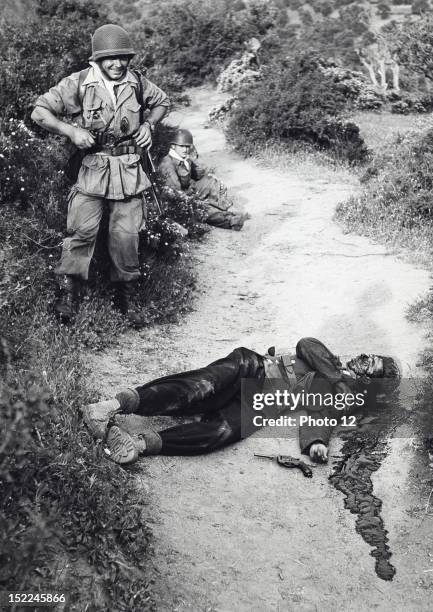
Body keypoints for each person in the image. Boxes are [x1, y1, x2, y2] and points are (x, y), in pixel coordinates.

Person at [31, 24, 170, 326]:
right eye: (111, 58)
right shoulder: (79, 82)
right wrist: (71, 130)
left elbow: (162, 103)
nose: (118, 64)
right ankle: (68, 293)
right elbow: (40, 111)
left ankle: (126, 296)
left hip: (129, 171)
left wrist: (149, 125)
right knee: (81, 231)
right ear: (97, 60)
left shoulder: (137, 82)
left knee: (127, 236)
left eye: (123, 58)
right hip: (92, 169)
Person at [81, 337, 400, 465]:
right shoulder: (330, 361)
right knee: (197, 388)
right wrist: (339, 379)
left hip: (259, 405)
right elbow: (306, 344)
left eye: (371, 367)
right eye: (369, 357)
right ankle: (112, 405)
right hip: (254, 367)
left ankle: (137, 444)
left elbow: (319, 419)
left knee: (222, 433)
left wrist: (316, 444)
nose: (364, 359)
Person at [158, 128, 249, 231]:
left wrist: (193, 159)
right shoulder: (167, 163)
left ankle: (228, 207)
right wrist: (194, 199)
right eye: (182, 146)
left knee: (211, 181)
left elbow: (199, 174)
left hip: (188, 190)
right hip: (177, 200)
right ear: (173, 146)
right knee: (203, 209)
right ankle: (232, 221)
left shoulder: (184, 158)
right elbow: (175, 191)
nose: (185, 150)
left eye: (187, 146)